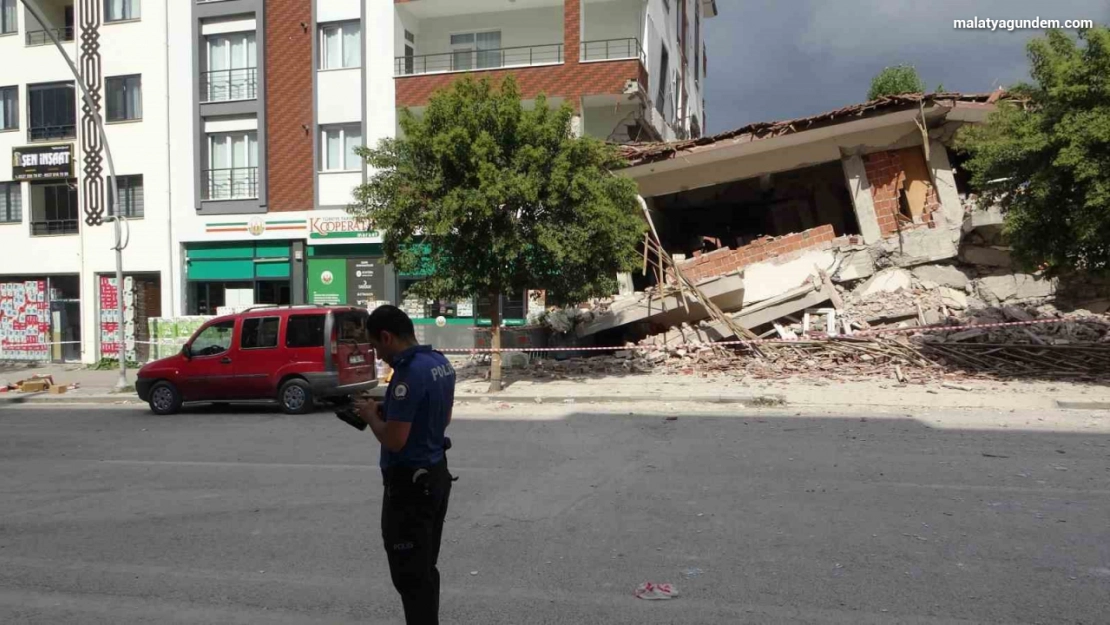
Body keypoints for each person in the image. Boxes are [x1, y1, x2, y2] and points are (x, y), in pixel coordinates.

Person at [353, 305, 455, 625]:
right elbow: (442, 418)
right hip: (435, 476)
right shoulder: (439, 362)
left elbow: (394, 440)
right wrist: (393, 411)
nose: (379, 355)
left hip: (410, 487)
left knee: (410, 575)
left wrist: (371, 416)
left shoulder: (407, 374)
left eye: (376, 346)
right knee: (425, 569)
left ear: (387, 336)